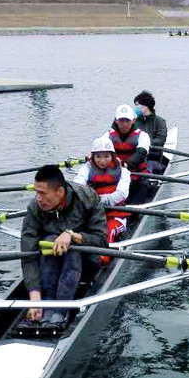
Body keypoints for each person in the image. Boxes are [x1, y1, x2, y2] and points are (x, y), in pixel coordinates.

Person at [20, 164, 108, 326]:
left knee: (72, 249)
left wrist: (72, 235)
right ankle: (44, 303)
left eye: (42, 193)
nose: (37, 198)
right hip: (49, 262)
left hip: (86, 261)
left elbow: (102, 242)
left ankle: (61, 308)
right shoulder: (35, 208)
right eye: (36, 192)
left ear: (60, 192)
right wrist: (34, 298)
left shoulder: (88, 198)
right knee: (51, 239)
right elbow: (28, 256)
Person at [73, 136, 131, 263]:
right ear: (92, 156)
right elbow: (77, 189)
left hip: (115, 215)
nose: (102, 161)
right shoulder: (86, 169)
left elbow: (121, 195)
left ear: (113, 155)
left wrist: (97, 201)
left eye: (106, 156)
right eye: (98, 156)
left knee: (107, 233)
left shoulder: (123, 171)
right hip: (92, 215)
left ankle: (104, 259)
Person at [107, 103, 154, 204]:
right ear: (116, 121)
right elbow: (99, 148)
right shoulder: (108, 135)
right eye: (121, 121)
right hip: (117, 176)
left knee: (144, 186)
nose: (124, 124)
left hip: (137, 177)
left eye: (127, 121)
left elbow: (141, 153)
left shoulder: (142, 136)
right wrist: (92, 156)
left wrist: (125, 164)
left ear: (133, 120)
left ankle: (132, 213)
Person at [133, 90, 168, 174]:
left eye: (138, 105)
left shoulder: (160, 121)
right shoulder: (132, 121)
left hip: (153, 158)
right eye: (136, 105)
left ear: (146, 106)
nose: (136, 108)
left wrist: (143, 143)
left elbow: (160, 141)